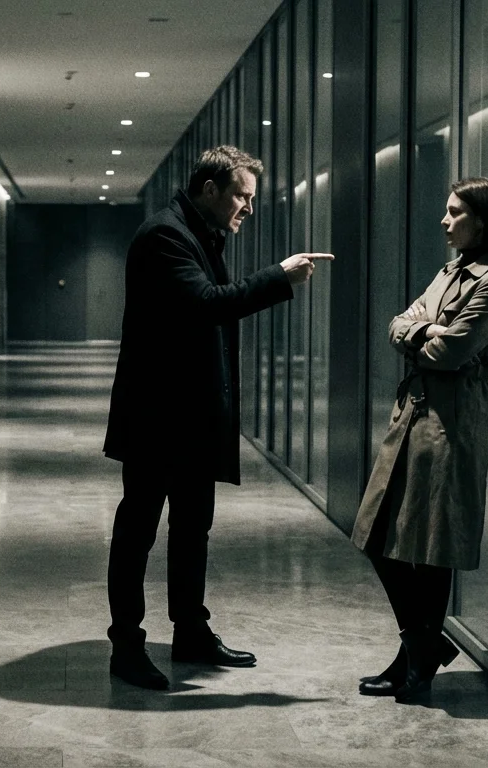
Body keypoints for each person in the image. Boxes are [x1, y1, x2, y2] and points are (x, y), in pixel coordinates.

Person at [102, 145, 333, 690]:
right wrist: (278, 277)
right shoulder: (166, 236)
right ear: (210, 189)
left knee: (191, 529)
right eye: (241, 196)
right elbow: (206, 303)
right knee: (138, 530)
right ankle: (127, 646)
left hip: (188, 417)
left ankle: (190, 632)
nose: (248, 208)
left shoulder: (198, 233)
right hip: (158, 417)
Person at [350, 177, 488, 702]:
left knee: (432, 544)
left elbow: (451, 353)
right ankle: (424, 645)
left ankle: (415, 662)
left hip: (453, 419)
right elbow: (399, 322)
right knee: (381, 536)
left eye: (454, 213)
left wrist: (420, 334)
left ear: (483, 219)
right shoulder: (450, 271)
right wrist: (421, 332)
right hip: (415, 414)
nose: (444, 222)